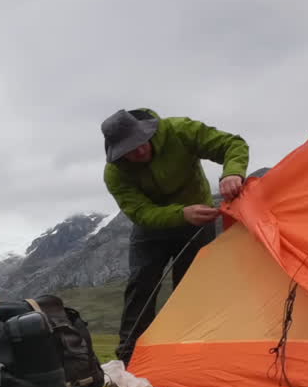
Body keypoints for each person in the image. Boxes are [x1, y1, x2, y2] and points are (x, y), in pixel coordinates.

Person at [100, 107, 249, 364]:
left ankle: (188, 353)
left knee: (191, 287)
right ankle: (129, 356)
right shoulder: (115, 173)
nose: (138, 152)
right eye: (129, 151)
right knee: (141, 285)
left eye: (140, 143)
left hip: (197, 221)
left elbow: (231, 144)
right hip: (151, 228)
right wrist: (182, 214)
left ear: (146, 132)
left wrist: (233, 171)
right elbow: (141, 212)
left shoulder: (179, 130)